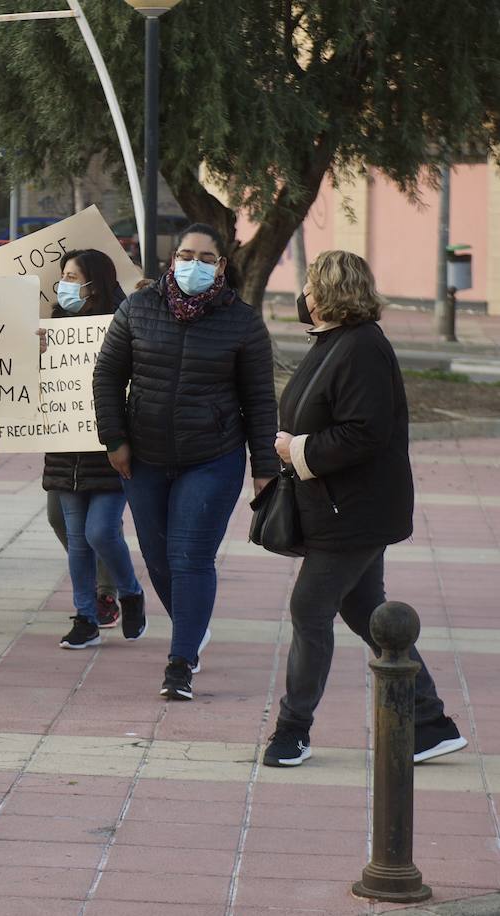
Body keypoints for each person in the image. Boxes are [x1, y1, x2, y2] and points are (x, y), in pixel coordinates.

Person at [262, 251, 467, 767]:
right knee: (366, 612)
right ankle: (430, 725)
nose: (304, 295)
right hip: (339, 508)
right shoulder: (335, 342)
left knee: (309, 608)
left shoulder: (361, 348)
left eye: (310, 285)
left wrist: (297, 449)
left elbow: (364, 433)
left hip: (353, 514)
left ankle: (293, 730)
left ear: (329, 292)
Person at [92, 223, 277, 701]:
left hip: (211, 458)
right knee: (157, 559)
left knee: (190, 557)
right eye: (185, 255)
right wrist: (114, 439)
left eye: (205, 258)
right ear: (172, 259)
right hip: (144, 457)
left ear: (222, 265)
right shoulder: (138, 308)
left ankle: (180, 661)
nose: (193, 265)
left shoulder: (242, 322)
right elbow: (107, 375)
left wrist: (265, 468)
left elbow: (260, 401)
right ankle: (192, 628)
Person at [44, 250, 145, 650]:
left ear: (95, 283)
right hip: (65, 449)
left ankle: (130, 592)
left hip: (108, 449)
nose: (65, 286)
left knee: (101, 531)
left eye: (73, 278)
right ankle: (85, 616)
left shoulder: (123, 324)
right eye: (63, 277)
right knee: (76, 537)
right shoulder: (52, 326)